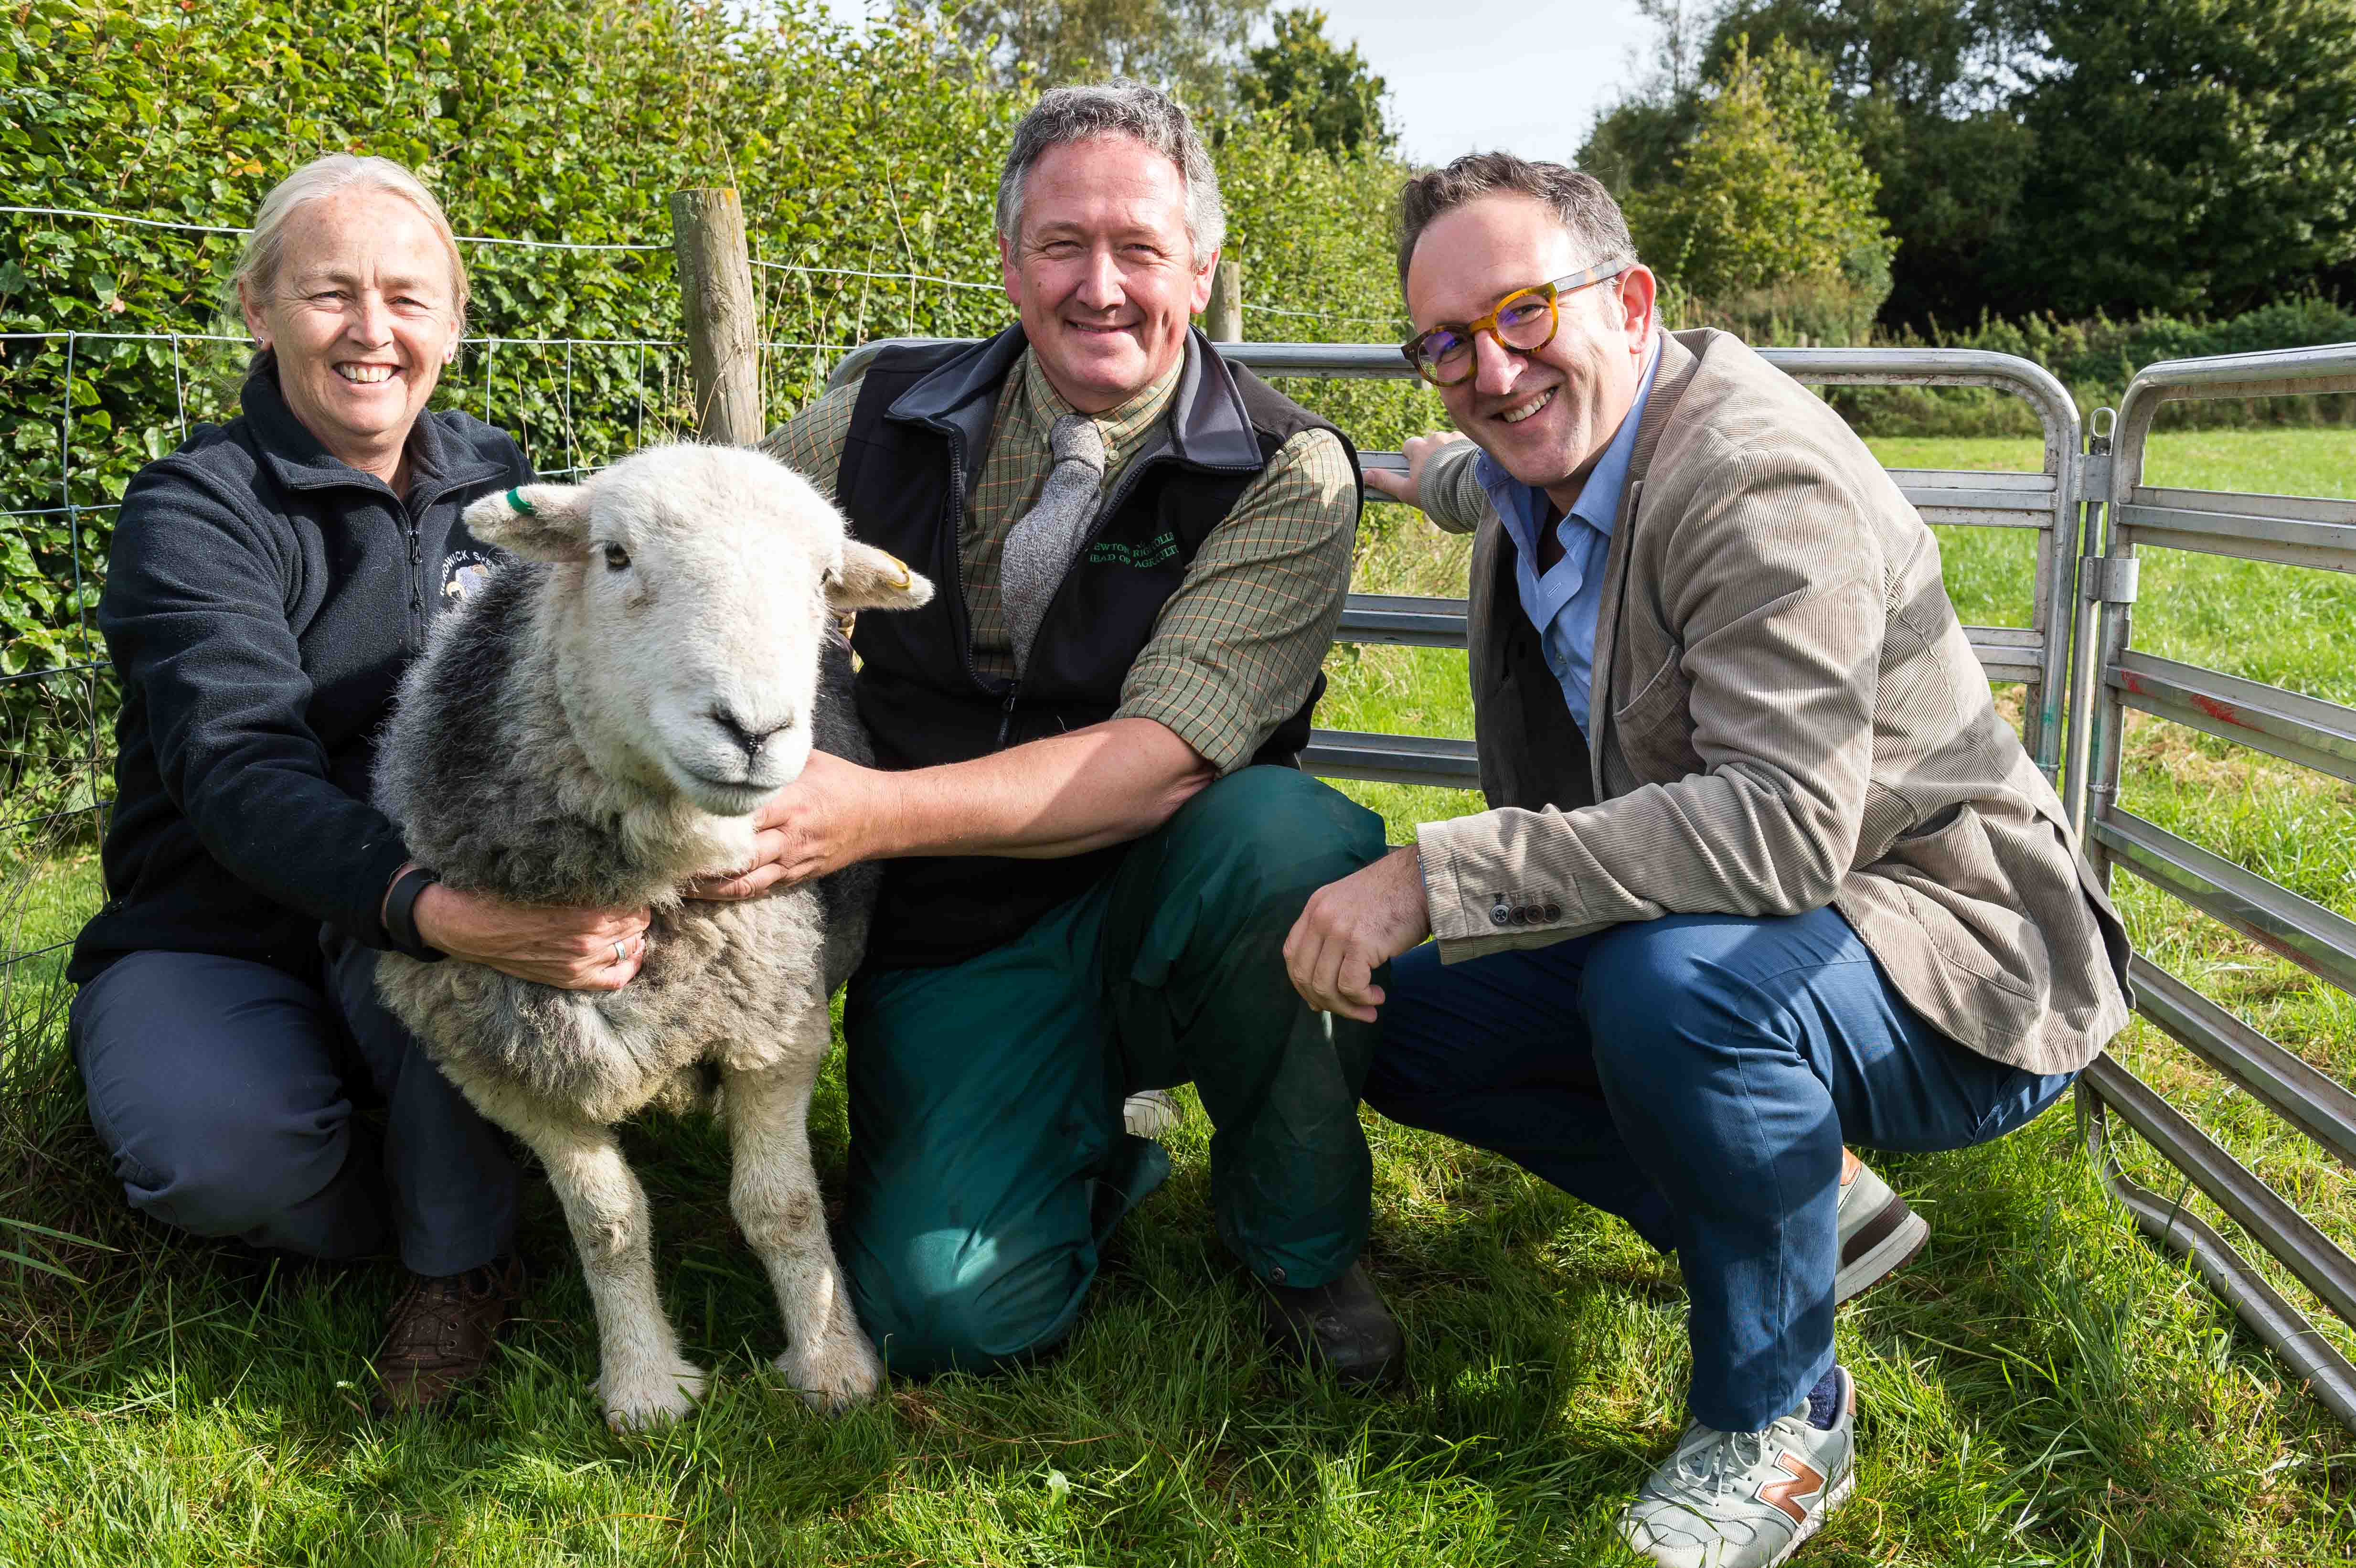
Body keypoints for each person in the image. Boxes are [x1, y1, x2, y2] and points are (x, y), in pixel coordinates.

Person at [1281, 153, 2132, 1565]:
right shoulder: (1528, 452)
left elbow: (1785, 824)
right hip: (1751, 929)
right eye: (1444, 344)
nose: (1490, 373)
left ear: (1631, 300)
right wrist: (1389, 470)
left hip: (1958, 945)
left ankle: (1780, 1413)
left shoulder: (1758, 480)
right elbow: (1475, 474)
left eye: (1522, 315)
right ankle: (1799, 1207)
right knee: (1403, 1022)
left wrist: (1437, 873)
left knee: (1673, 995)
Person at [706, 80, 1402, 1382]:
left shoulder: (1284, 472)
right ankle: (1086, 1141)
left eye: (1140, 249)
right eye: (1062, 246)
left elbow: (1161, 761)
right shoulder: (874, 418)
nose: (1100, 286)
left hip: (1173, 902)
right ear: (1011, 263)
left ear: (1199, 268)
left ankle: (1300, 1246)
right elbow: (716, 539)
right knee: (938, 1315)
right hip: (958, 930)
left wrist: (862, 811)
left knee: (1284, 835)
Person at [66, 155, 654, 1416]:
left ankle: (466, 1263)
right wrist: (438, 908)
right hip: (217, 922)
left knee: (470, 994)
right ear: (259, 307)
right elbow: (235, 770)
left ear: (452, 320)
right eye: (331, 294)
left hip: (428, 907)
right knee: (215, 1156)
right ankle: (421, 1191)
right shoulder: (194, 510)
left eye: (407, 296)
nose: (372, 331)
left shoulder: (503, 487)